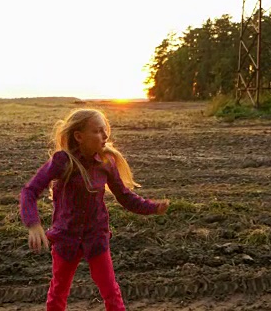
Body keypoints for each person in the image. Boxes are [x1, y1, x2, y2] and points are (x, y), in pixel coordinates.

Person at [20, 108, 170, 311]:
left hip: (96, 238)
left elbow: (125, 196)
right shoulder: (63, 161)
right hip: (66, 237)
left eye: (105, 130)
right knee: (58, 293)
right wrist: (33, 225)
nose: (105, 135)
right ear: (79, 136)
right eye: (98, 131)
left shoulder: (107, 163)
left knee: (111, 292)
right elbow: (30, 191)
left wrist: (152, 208)